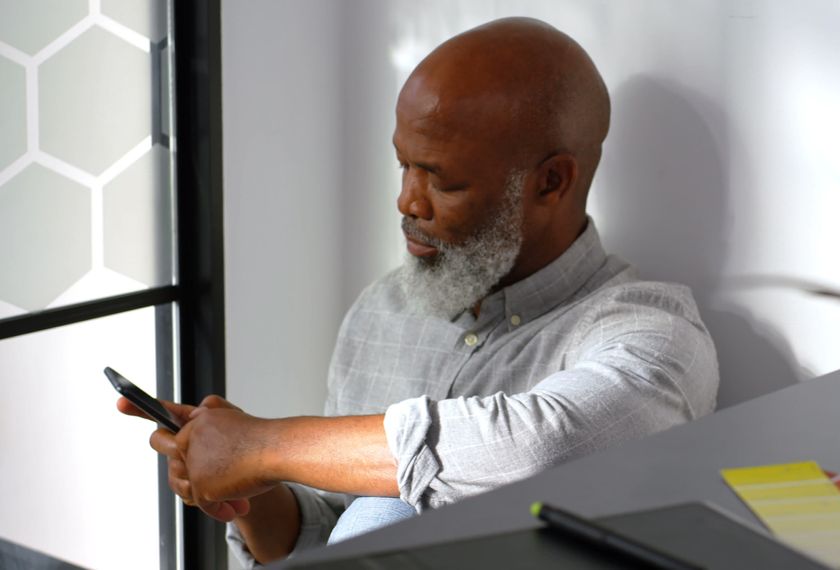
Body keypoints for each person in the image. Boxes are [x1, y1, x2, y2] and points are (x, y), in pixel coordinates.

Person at [118, 17, 720, 566]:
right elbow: (329, 538)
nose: (407, 201)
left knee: (395, 508)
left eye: (443, 180)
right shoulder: (383, 313)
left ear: (551, 182)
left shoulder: (655, 337)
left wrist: (266, 445)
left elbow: (548, 447)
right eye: (404, 165)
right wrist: (255, 489)